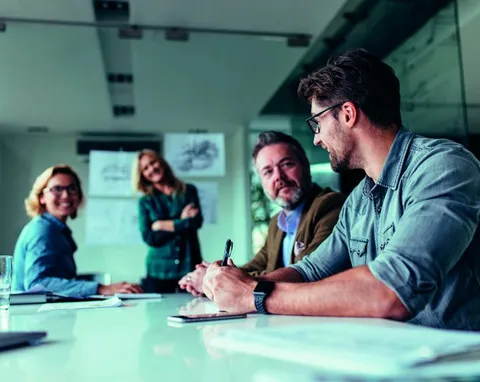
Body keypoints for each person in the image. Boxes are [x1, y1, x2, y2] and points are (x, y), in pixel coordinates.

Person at [202, 49, 480, 331]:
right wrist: (239, 285)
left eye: (317, 123)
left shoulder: (442, 167)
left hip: (456, 364)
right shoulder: (358, 200)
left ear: (347, 114)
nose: (317, 139)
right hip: (393, 357)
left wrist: (256, 296)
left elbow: (391, 291)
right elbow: (311, 270)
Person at [179, 131, 345, 296]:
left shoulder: (329, 206)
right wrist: (213, 274)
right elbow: (255, 266)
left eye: (287, 164)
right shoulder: (277, 223)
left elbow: (308, 272)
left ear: (305, 166)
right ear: (262, 182)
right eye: (268, 172)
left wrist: (218, 281)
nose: (278, 177)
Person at [13, 165, 142, 297]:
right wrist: (100, 288)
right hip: (32, 316)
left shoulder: (57, 230)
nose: (66, 195)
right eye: (57, 189)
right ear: (42, 197)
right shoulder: (42, 230)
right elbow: (37, 284)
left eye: (72, 189)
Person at [133, 149, 203, 293]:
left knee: (193, 310)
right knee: (156, 314)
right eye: (145, 168)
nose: (152, 168)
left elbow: (196, 222)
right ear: (142, 175)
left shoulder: (188, 191)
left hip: (189, 265)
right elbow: (150, 237)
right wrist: (181, 221)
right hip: (159, 271)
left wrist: (161, 225)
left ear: (161, 162)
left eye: (153, 163)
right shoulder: (145, 201)